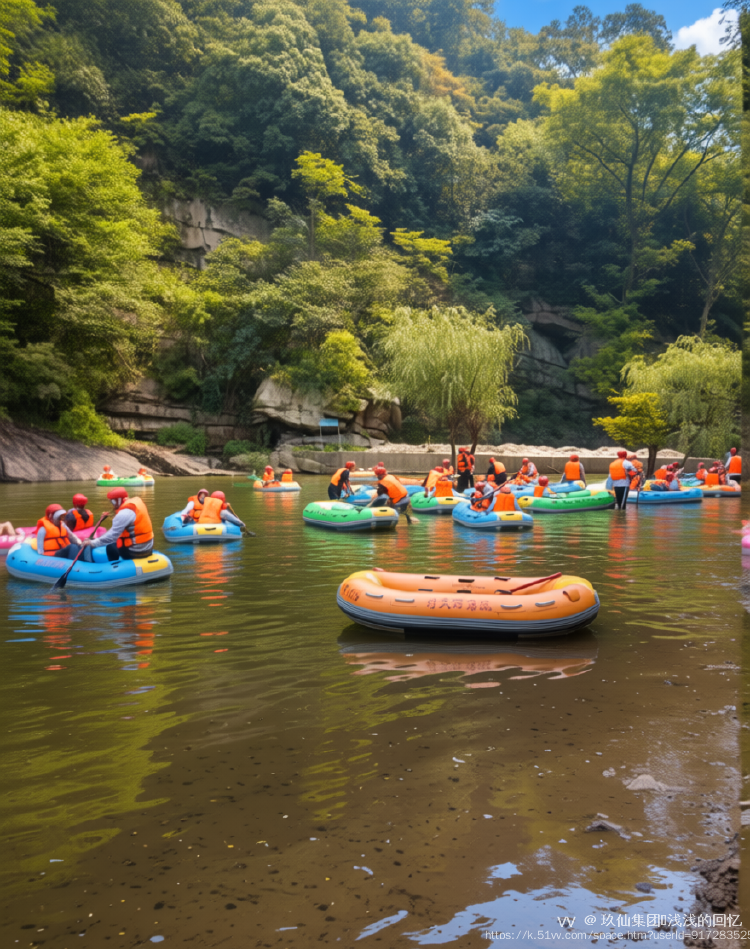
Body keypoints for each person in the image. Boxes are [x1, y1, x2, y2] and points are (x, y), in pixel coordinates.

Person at [81, 488, 154, 561]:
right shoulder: (135, 504)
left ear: (119, 500)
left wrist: (92, 543)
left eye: (113, 501)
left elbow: (111, 537)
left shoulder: (124, 513)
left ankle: (114, 567)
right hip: (148, 547)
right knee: (115, 541)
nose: (113, 504)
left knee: (111, 547)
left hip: (136, 551)